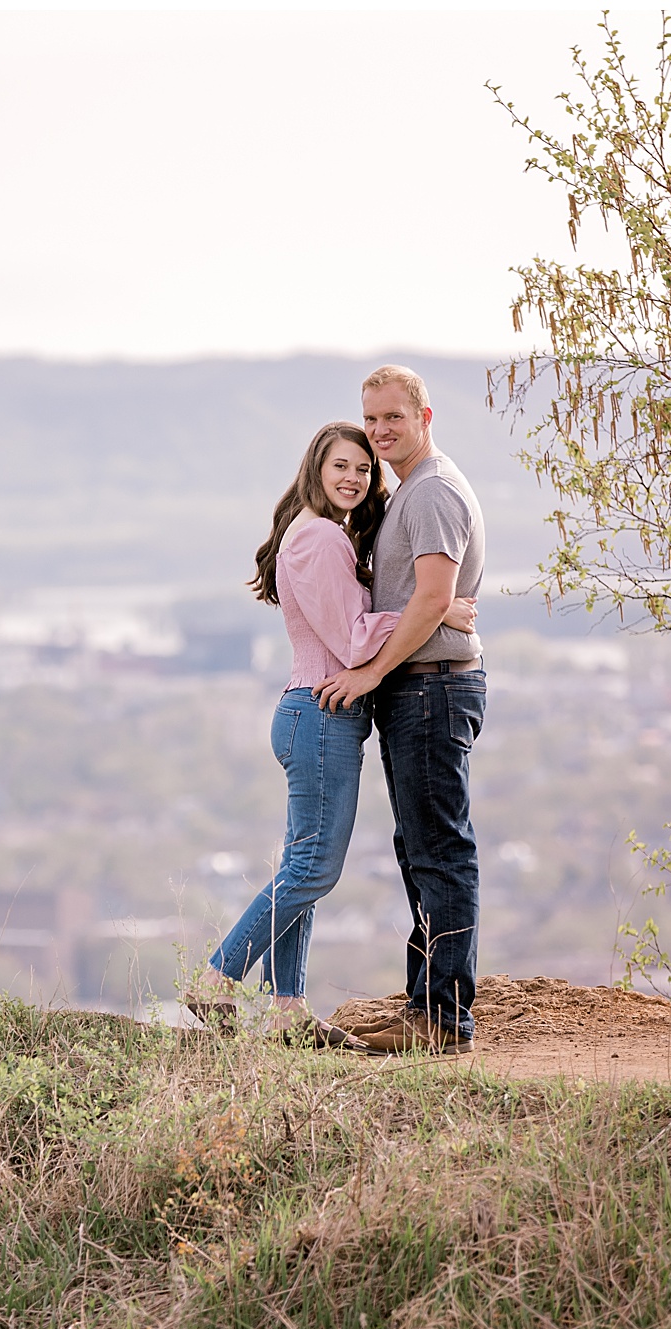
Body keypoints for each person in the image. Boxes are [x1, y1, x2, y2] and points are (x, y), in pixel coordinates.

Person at [187, 419, 476, 1046]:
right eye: (341, 465)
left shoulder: (325, 535)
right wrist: (434, 608)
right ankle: (218, 977)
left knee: (301, 868)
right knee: (315, 870)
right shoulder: (319, 538)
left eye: (364, 469)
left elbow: (350, 615)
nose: (354, 478)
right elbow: (352, 638)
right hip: (321, 713)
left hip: (317, 712)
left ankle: (288, 1012)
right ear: (316, 469)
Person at [315, 365, 487, 1054]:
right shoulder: (408, 492)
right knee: (419, 849)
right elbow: (429, 598)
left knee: (441, 852)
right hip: (418, 685)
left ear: (425, 416)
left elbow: (429, 596)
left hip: (431, 686)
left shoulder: (433, 490)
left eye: (395, 417)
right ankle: (426, 1006)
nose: (382, 430)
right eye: (372, 418)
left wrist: (369, 672)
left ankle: (444, 1020)